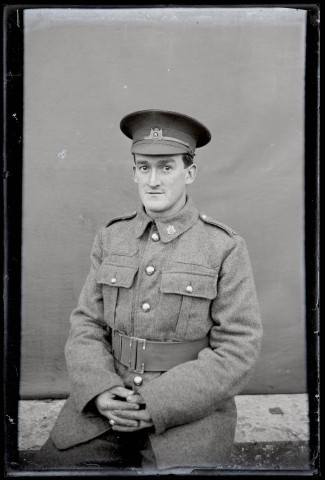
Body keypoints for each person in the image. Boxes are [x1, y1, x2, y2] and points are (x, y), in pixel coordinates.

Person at [34, 109, 263, 472]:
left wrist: (155, 404)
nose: (153, 181)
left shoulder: (224, 247)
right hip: (108, 405)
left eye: (166, 167)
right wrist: (100, 390)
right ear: (134, 172)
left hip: (188, 414)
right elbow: (86, 326)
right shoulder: (111, 237)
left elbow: (238, 349)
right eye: (144, 168)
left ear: (189, 173)